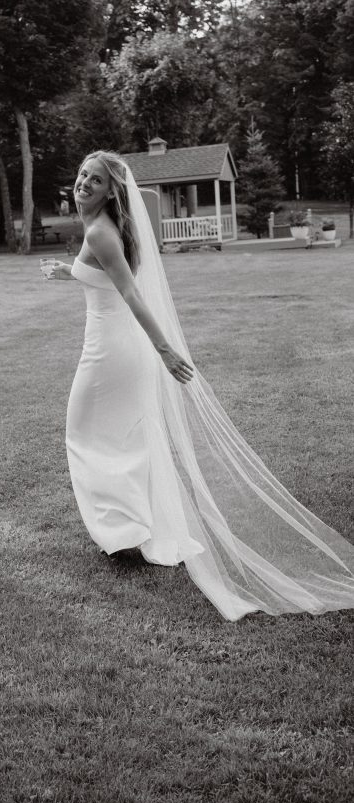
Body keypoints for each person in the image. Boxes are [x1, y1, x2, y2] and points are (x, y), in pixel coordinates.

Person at [42, 150, 354, 620]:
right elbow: (107, 279)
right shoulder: (102, 227)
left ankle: (124, 532)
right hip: (114, 346)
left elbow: (130, 292)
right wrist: (70, 271)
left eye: (97, 179)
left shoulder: (101, 232)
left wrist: (166, 351)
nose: (85, 182)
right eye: (84, 174)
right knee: (121, 436)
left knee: (86, 434)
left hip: (112, 352)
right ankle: (130, 531)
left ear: (111, 192)